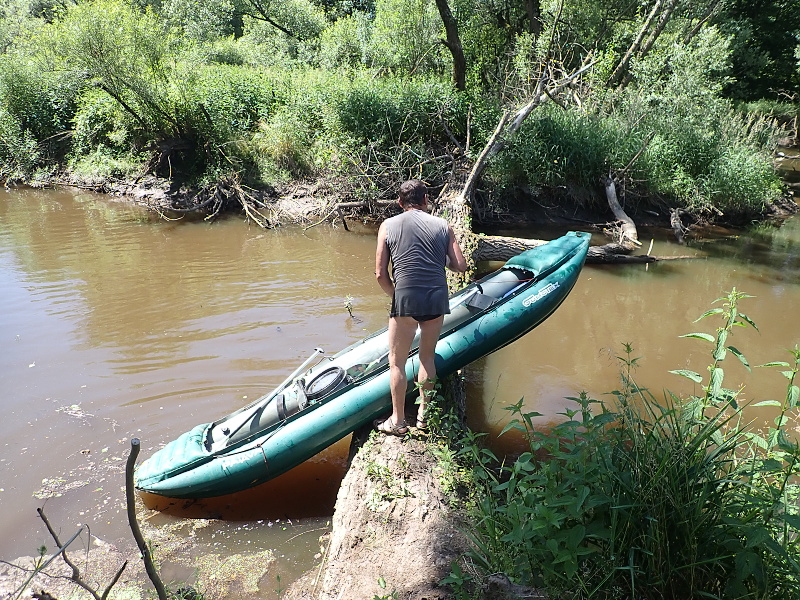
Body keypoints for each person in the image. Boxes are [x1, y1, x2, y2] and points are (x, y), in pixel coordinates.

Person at [374, 180, 467, 435]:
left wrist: (396, 296)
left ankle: (398, 422)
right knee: (426, 357)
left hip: (405, 300)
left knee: (397, 363)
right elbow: (461, 265)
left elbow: (380, 274)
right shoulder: (442, 225)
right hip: (436, 298)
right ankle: (424, 416)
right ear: (426, 200)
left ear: (399, 202)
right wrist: (443, 260)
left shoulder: (388, 225)